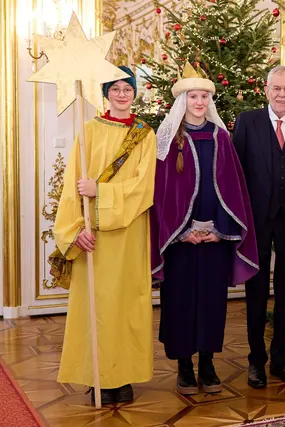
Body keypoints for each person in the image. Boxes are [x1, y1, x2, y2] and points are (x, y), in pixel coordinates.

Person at [151, 63, 259, 395]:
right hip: (180, 241)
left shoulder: (220, 137)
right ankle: (184, 366)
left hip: (214, 238)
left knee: (212, 301)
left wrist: (219, 230)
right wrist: (180, 230)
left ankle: (208, 364)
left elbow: (232, 189)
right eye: (192, 96)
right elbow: (160, 192)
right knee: (181, 300)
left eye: (203, 96)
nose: (198, 102)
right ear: (182, 100)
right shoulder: (168, 140)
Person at [52, 66, 156, 404]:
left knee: (125, 304)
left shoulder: (145, 135)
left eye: (128, 89)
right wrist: (75, 230)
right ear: (106, 93)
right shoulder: (89, 130)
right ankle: (96, 375)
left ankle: (122, 376)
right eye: (116, 89)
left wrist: (100, 190)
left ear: (135, 93)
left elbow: (144, 187)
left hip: (128, 231)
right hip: (92, 233)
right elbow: (72, 187)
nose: (122, 94)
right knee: (94, 307)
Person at [233, 65, 285, 388]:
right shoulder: (247, 122)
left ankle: (280, 358)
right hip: (255, 222)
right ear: (266, 90)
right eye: (277, 88)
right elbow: (236, 175)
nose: (282, 94)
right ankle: (256, 360)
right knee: (256, 292)